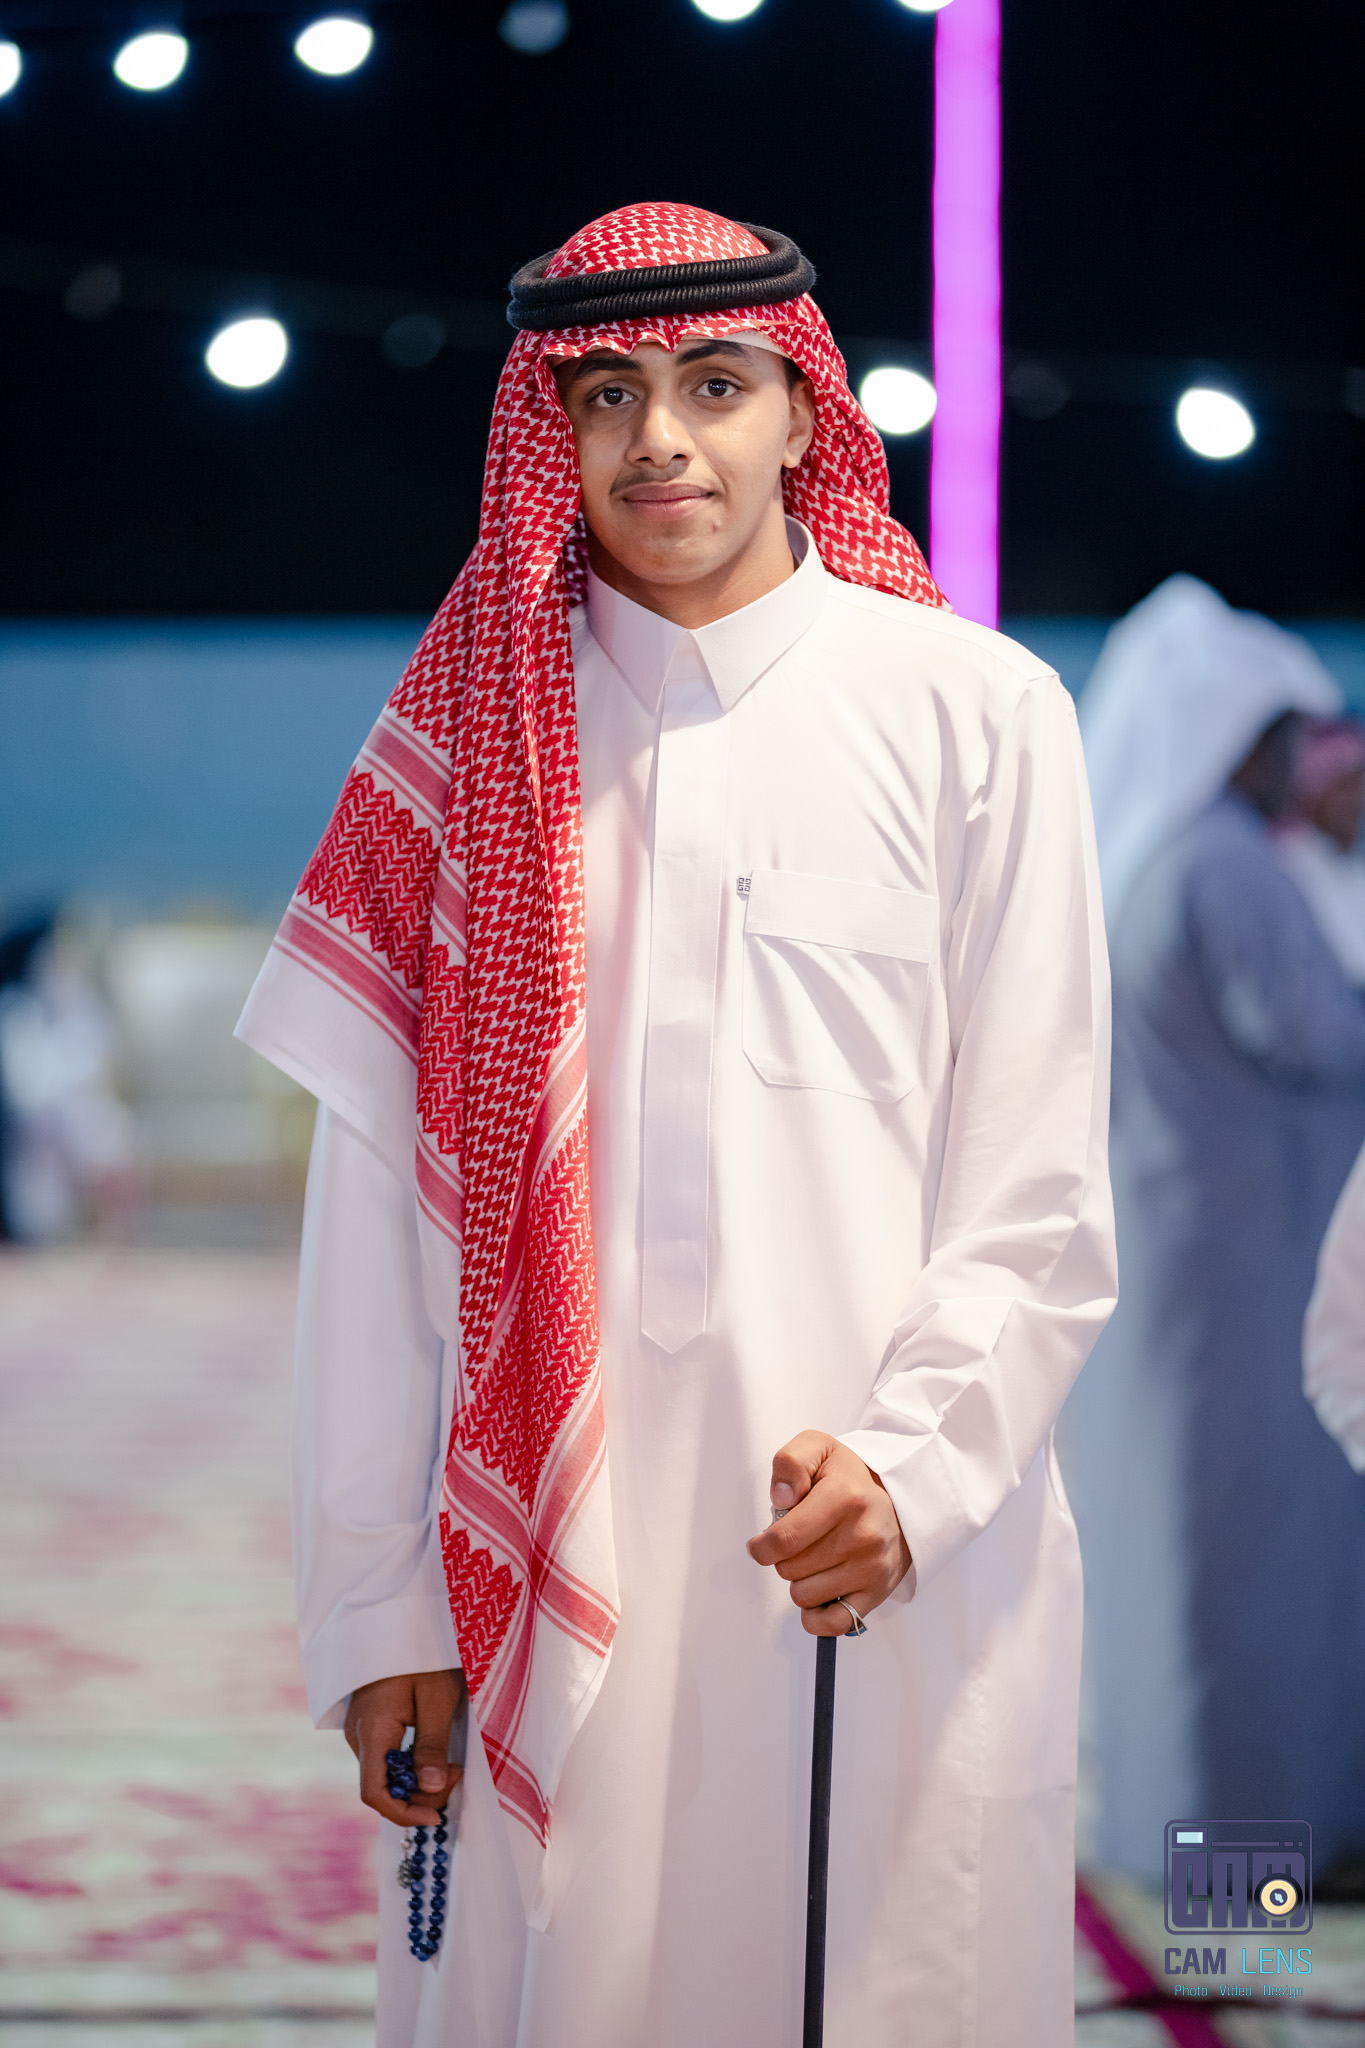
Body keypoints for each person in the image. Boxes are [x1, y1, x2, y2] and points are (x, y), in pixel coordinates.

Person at [237, 202, 1116, 2048]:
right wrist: (380, 1605)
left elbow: (1037, 1189)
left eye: (716, 386)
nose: (661, 441)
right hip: (531, 1562)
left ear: (802, 413)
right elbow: (370, 1227)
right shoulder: (462, 756)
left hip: (880, 1540)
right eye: (607, 395)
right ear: (547, 435)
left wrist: (915, 1469)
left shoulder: (976, 715)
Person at [1068, 574, 1365, 1885]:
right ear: (1235, 738)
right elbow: (1320, 1035)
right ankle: (1238, 1894)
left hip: (1190, 1278)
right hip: (1247, 1287)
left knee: (1194, 1573)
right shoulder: (1224, 865)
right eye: (1284, 736)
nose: (1304, 763)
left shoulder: (1152, 861)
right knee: (1249, 1579)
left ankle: (1204, 1857)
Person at [1275, 715, 1365, 985]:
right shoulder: (1290, 862)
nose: (1354, 801)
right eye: (1342, 788)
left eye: (1359, 786)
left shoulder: (1352, 861)